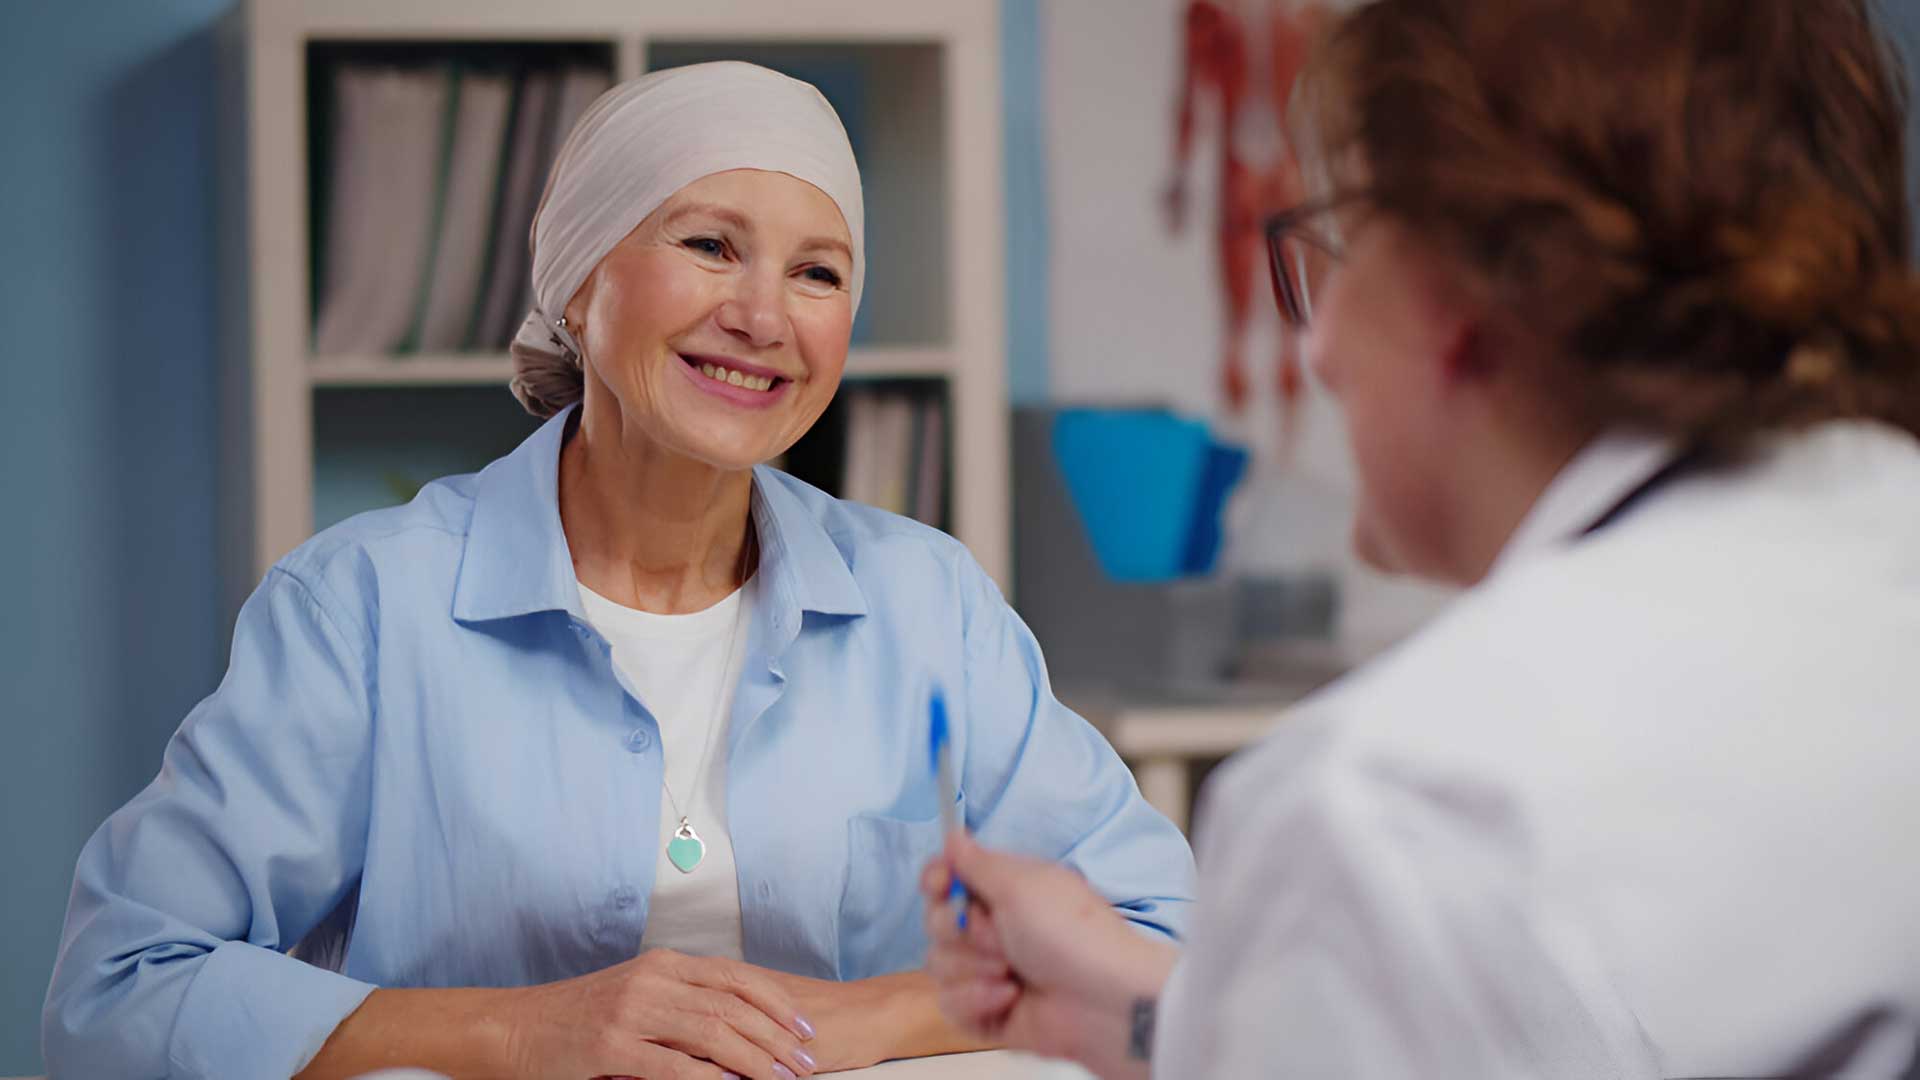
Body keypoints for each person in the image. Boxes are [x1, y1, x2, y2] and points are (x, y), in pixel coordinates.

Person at [43, 62, 1194, 1080]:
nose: (762, 317)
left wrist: (861, 1020)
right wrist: (523, 1034)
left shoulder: (927, 604)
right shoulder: (360, 609)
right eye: (708, 245)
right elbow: (118, 991)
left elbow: (1160, 928)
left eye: (819, 272)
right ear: (580, 287)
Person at [923, 0, 1920, 1075]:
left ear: (1468, 284)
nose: (1322, 345)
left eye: (1343, 242)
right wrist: (1163, 1017)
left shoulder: (1390, 811)